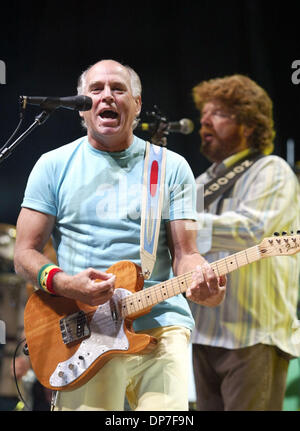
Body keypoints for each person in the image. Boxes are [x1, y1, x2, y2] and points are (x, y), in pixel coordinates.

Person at [14, 59, 226, 411]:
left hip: (161, 322)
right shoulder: (51, 165)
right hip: (83, 330)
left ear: (137, 104)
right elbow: (25, 253)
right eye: (96, 90)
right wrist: (66, 284)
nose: (107, 96)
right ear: (81, 107)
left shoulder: (173, 167)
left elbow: (186, 253)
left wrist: (203, 283)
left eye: (119, 89)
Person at [189, 74, 300, 411]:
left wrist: (182, 227)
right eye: (204, 114)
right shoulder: (199, 183)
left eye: (219, 114)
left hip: (255, 335)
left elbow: (252, 228)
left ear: (249, 125)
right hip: (203, 335)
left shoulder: (272, 170)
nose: (205, 121)